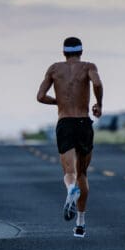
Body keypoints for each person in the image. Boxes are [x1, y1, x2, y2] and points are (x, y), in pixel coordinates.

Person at [37, 37, 103, 238]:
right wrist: (99, 103)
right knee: (83, 173)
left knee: (69, 171)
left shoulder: (55, 69)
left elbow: (40, 96)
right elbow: (98, 83)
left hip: (65, 122)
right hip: (83, 122)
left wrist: (59, 101)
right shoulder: (88, 66)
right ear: (81, 51)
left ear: (64, 52)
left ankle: (70, 189)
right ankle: (81, 223)